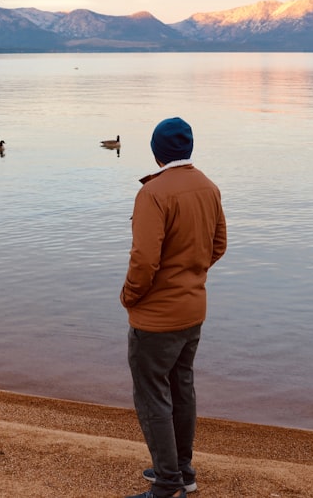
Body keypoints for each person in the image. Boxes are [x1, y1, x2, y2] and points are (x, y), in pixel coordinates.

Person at [120, 117, 227, 498]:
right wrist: (189, 277)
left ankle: (167, 483)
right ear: (188, 148)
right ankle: (182, 470)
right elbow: (218, 245)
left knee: (152, 395)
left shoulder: (154, 194)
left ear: (157, 151)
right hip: (193, 310)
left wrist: (130, 295)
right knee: (182, 389)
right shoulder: (208, 187)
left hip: (157, 317)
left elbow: (144, 260)